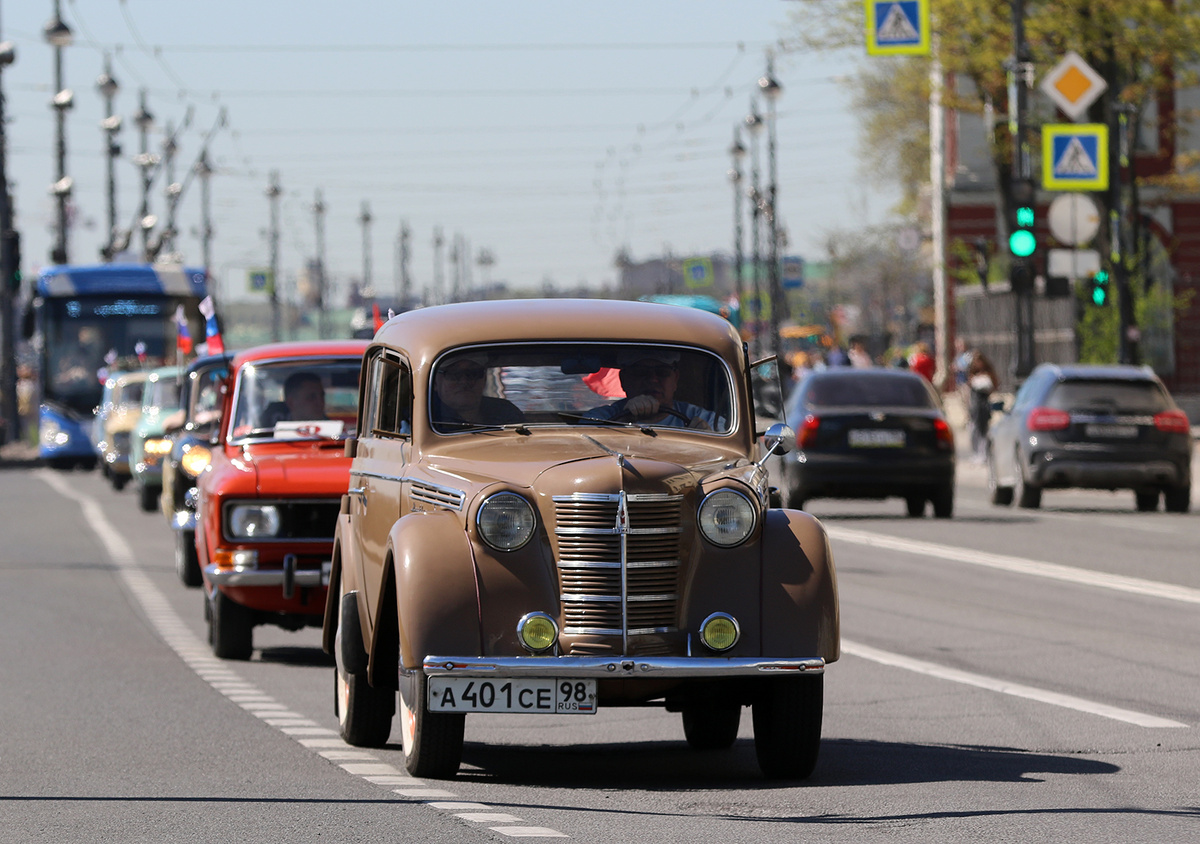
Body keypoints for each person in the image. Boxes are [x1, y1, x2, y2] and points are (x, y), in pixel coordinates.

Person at [585, 350, 722, 430]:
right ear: (624, 380)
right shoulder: (599, 419)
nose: (653, 380)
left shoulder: (706, 420)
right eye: (641, 372)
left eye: (662, 372)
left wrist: (706, 439)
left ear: (675, 379)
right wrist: (623, 421)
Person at [431, 354, 524, 430]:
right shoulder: (426, 417)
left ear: (484, 380)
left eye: (474, 373)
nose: (464, 381)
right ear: (435, 382)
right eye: (453, 373)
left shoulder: (505, 411)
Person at [262, 371, 327, 426]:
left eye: (322, 396)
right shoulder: (273, 435)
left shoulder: (334, 433)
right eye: (311, 397)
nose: (320, 402)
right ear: (291, 403)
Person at [966, 350, 998, 461]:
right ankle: (976, 453)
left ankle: (983, 453)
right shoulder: (972, 374)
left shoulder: (988, 373)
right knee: (973, 430)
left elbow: (994, 386)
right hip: (974, 406)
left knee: (983, 429)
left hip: (983, 406)